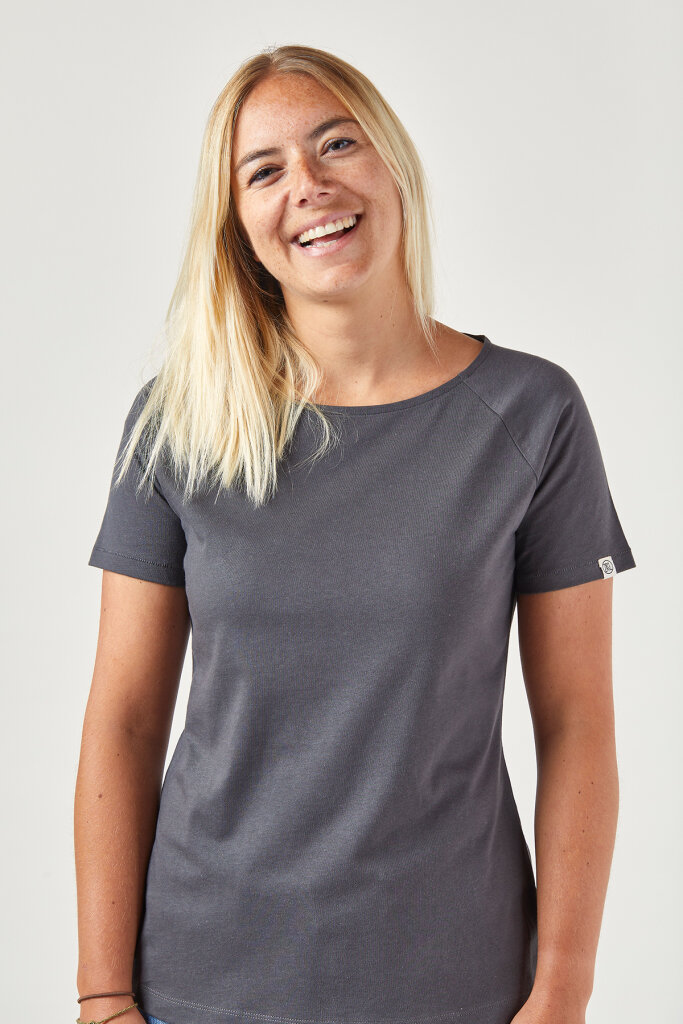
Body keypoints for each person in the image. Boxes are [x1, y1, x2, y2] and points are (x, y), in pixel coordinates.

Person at [74, 43, 637, 1024]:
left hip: (456, 985)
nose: (309, 184)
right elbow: (122, 720)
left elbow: (576, 723)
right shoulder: (177, 422)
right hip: (204, 982)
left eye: (337, 143)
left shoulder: (530, 413)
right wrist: (103, 993)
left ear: (392, 162)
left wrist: (562, 989)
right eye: (264, 170)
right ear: (237, 225)